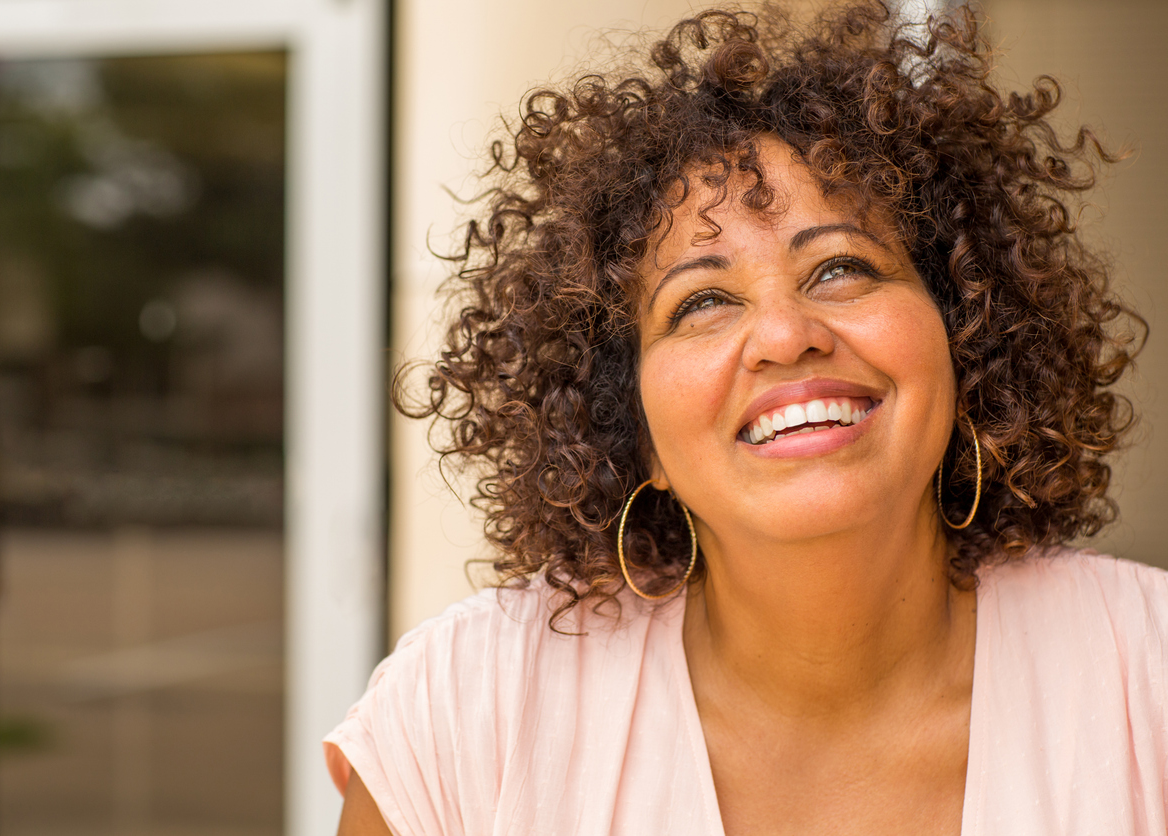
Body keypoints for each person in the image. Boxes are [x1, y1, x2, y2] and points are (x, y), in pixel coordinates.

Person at [329, 2, 1165, 833]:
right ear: (631, 428)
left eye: (841, 267)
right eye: (701, 303)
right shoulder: (474, 711)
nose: (784, 336)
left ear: (965, 335)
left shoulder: (1148, 675)